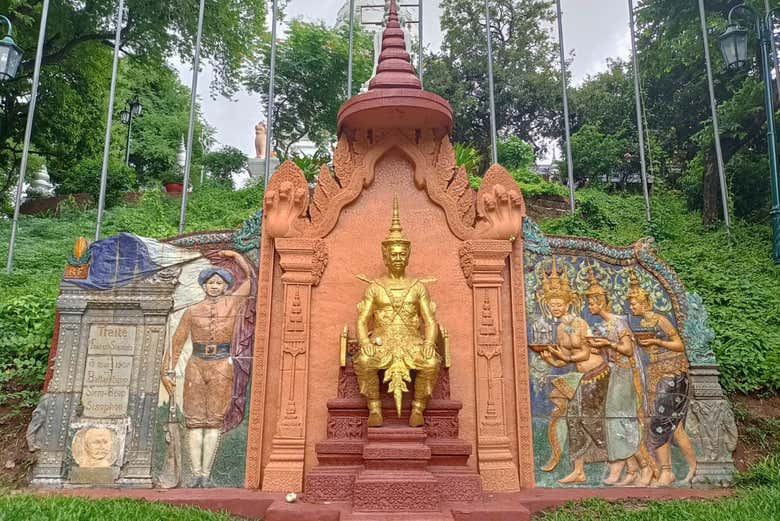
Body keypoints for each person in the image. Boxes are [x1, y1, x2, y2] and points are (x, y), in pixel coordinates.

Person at [161, 250, 253, 488]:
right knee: (194, 420)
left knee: (213, 421)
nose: (214, 286)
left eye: (219, 283)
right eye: (210, 282)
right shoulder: (192, 311)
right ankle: (195, 473)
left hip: (222, 366)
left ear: (225, 286)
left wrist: (236, 257)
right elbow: (177, 342)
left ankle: (206, 475)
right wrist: (165, 371)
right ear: (204, 286)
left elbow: (251, 281)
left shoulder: (232, 304)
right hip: (196, 366)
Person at [352, 196, 441, 428]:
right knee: (364, 360)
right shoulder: (375, 287)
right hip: (383, 342)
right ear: (386, 256)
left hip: (412, 341)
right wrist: (364, 342)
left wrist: (430, 341)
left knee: (430, 362)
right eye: (394, 254)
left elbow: (429, 321)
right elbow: (362, 320)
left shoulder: (417, 287)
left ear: (408, 256)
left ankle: (418, 408)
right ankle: (374, 408)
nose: (398, 258)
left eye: (402, 254)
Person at [535, 258, 609, 484]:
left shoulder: (579, 323)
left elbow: (585, 354)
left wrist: (562, 356)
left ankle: (625, 458)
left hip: (597, 374)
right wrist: (550, 359)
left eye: (559, 304)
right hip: (581, 376)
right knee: (574, 419)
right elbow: (565, 362)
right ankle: (579, 469)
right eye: (552, 305)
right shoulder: (559, 329)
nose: (555, 308)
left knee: (590, 419)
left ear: (568, 304)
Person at [583, 267, 651, 486]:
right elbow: (610, 351)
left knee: (620, 418)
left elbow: (628, 349)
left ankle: (646, 466)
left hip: (625, 372)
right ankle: (631, 470)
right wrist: (597, 345)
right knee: (614, 419)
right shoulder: (605, 324)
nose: (589, 307)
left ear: (600, 302)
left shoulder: (618, 322)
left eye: (591, 303)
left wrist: (606, 343)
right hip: (615, 371)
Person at [627, 270, 696, 485]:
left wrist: (658, 343)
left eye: (634, 304)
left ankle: (692, 466)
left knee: (666, 423)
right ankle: (667, 471)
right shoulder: (641, 324)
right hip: (656, 375)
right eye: (630, 304)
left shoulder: (660, 320)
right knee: (661, 423)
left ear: (645, 303)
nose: (632, 307)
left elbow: (680, 345)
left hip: (673, 374)